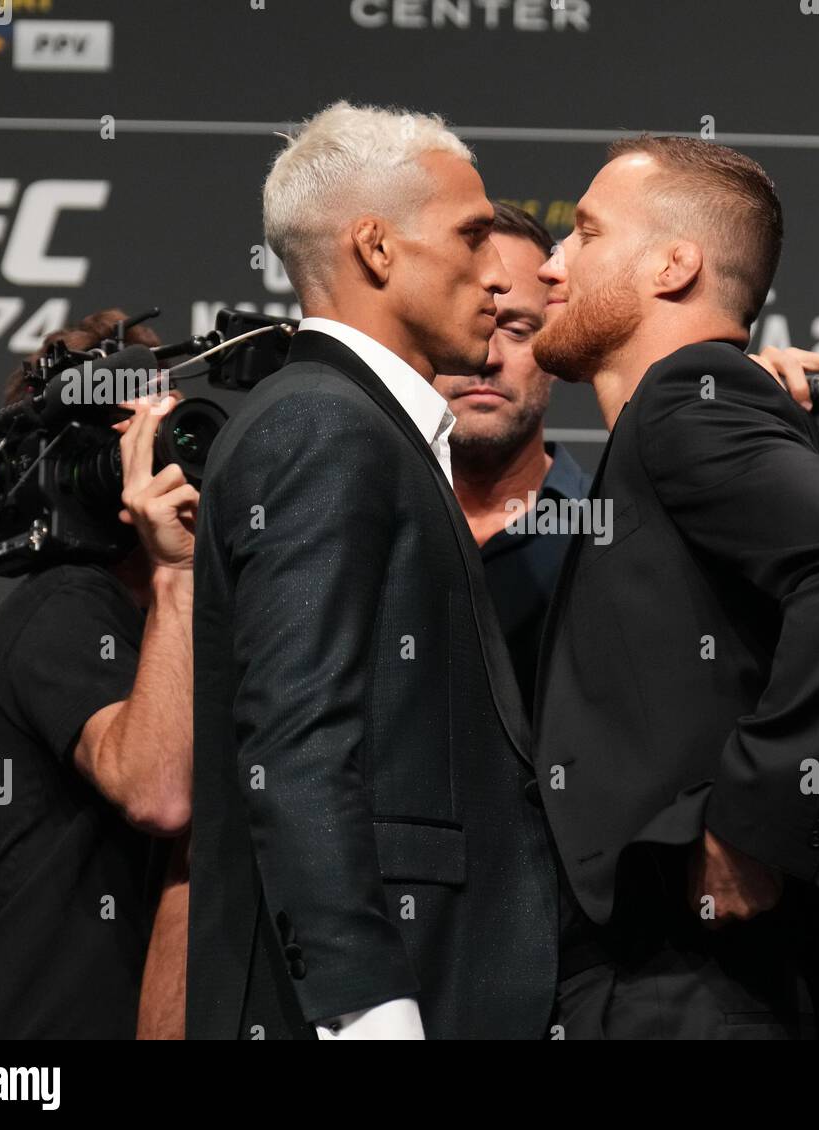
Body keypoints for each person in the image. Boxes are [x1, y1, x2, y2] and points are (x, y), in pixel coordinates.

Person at [529, 134, 819, 1039]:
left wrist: (752, 824)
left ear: (674, 264)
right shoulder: (685, 414)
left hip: (692, 983)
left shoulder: (689, 395)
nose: (553, 265)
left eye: (585, 233)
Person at [185, 100, 556, 1041]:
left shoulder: (357, 424)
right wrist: (367, 1012)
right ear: (377, 250)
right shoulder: (325, 425)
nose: (505, 281)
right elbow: (297, 745)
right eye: (473, 237)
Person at [0, 311, 196, 1040]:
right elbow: (158, 790)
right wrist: (179, 573)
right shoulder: (63, 605)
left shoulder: (188, 618)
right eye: (137, 424)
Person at [433, 201, 591, 719]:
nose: (487, 357)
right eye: (463, 326)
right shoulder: (361, 523)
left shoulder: (612, 533)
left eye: (519, 330)